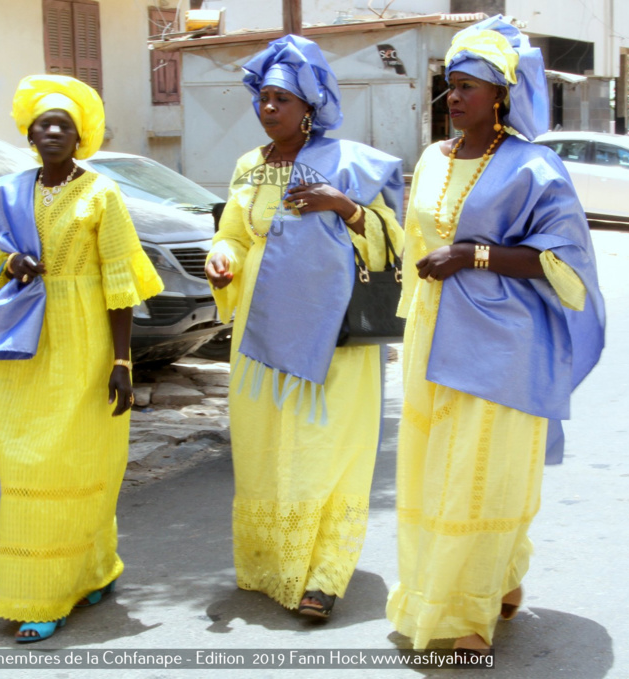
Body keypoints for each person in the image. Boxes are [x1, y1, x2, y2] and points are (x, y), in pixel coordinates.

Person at [385, 16, 605, 652]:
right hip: (432, 335)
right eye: (450, 85)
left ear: (500, 96)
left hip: (504, 344)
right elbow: (417, 242)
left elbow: (564, 262)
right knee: (434, 474)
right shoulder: (430, 159)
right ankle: (494, 580)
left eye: (470, 86)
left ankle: (464, 617)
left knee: (478, 477)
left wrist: (474, 256)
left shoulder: (534, 167)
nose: (455, 98)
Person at [205, 35, 404, 619]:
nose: (267, 109)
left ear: (309, 107)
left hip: (330, 330)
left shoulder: (348, 162)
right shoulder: (249, 167)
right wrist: (223, 259)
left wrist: (344, 207)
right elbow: (236, 235)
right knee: (264, 443)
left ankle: (324, 573)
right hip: (260, 331)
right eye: (261, 98)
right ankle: (272, 562)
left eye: (280, 99)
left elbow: (393, 241)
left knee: (325, 447)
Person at [0, 74, 163, 643]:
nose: (52, 131)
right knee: (24, 460)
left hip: (84, 345)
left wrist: (123, 364)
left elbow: (121, 286)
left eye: (64, 125)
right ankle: (55, 580)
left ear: (81, 138)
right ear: (29, 134)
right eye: (43, 123)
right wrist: (13, 265)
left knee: (77, 462)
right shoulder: (13, 191)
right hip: (25, 346)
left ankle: (65, 587)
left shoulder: (102, 193)